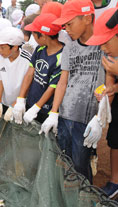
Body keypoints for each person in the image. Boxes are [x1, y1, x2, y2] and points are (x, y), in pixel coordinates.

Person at [40, 0, 106, 183]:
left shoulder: (104, 45)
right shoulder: (69, 47)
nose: (66, 29)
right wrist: (54, 112)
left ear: (87, 18)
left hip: (86, 119)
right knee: (65, 162)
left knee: (81, 164)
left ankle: (85, 200)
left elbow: (109, 84)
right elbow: (63, 81)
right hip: (65, 114)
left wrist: (100, 118)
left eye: (69, 24)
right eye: (64, 25)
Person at [85, 7, 118, 198]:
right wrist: (100, 116)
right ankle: (115, 181)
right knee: (114, 137)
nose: (103, 48)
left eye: (105, 42)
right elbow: (110, 84)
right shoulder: (109, 56)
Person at [10, 13, 63, 125]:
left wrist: (37, 107)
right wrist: (20, 99)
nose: (32, 37)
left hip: (46, 108)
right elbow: (30, 73)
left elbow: (52, 87)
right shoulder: (40, 49)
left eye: (34, 34)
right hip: (31, 101)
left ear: (43, 36)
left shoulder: (61, 57)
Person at [0, 27, 31, 121]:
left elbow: (28, 85)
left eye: (2, 47)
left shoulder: (27, 60)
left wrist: (15, 105)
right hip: (5, 101)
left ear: (15, 47)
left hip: (21, 103)